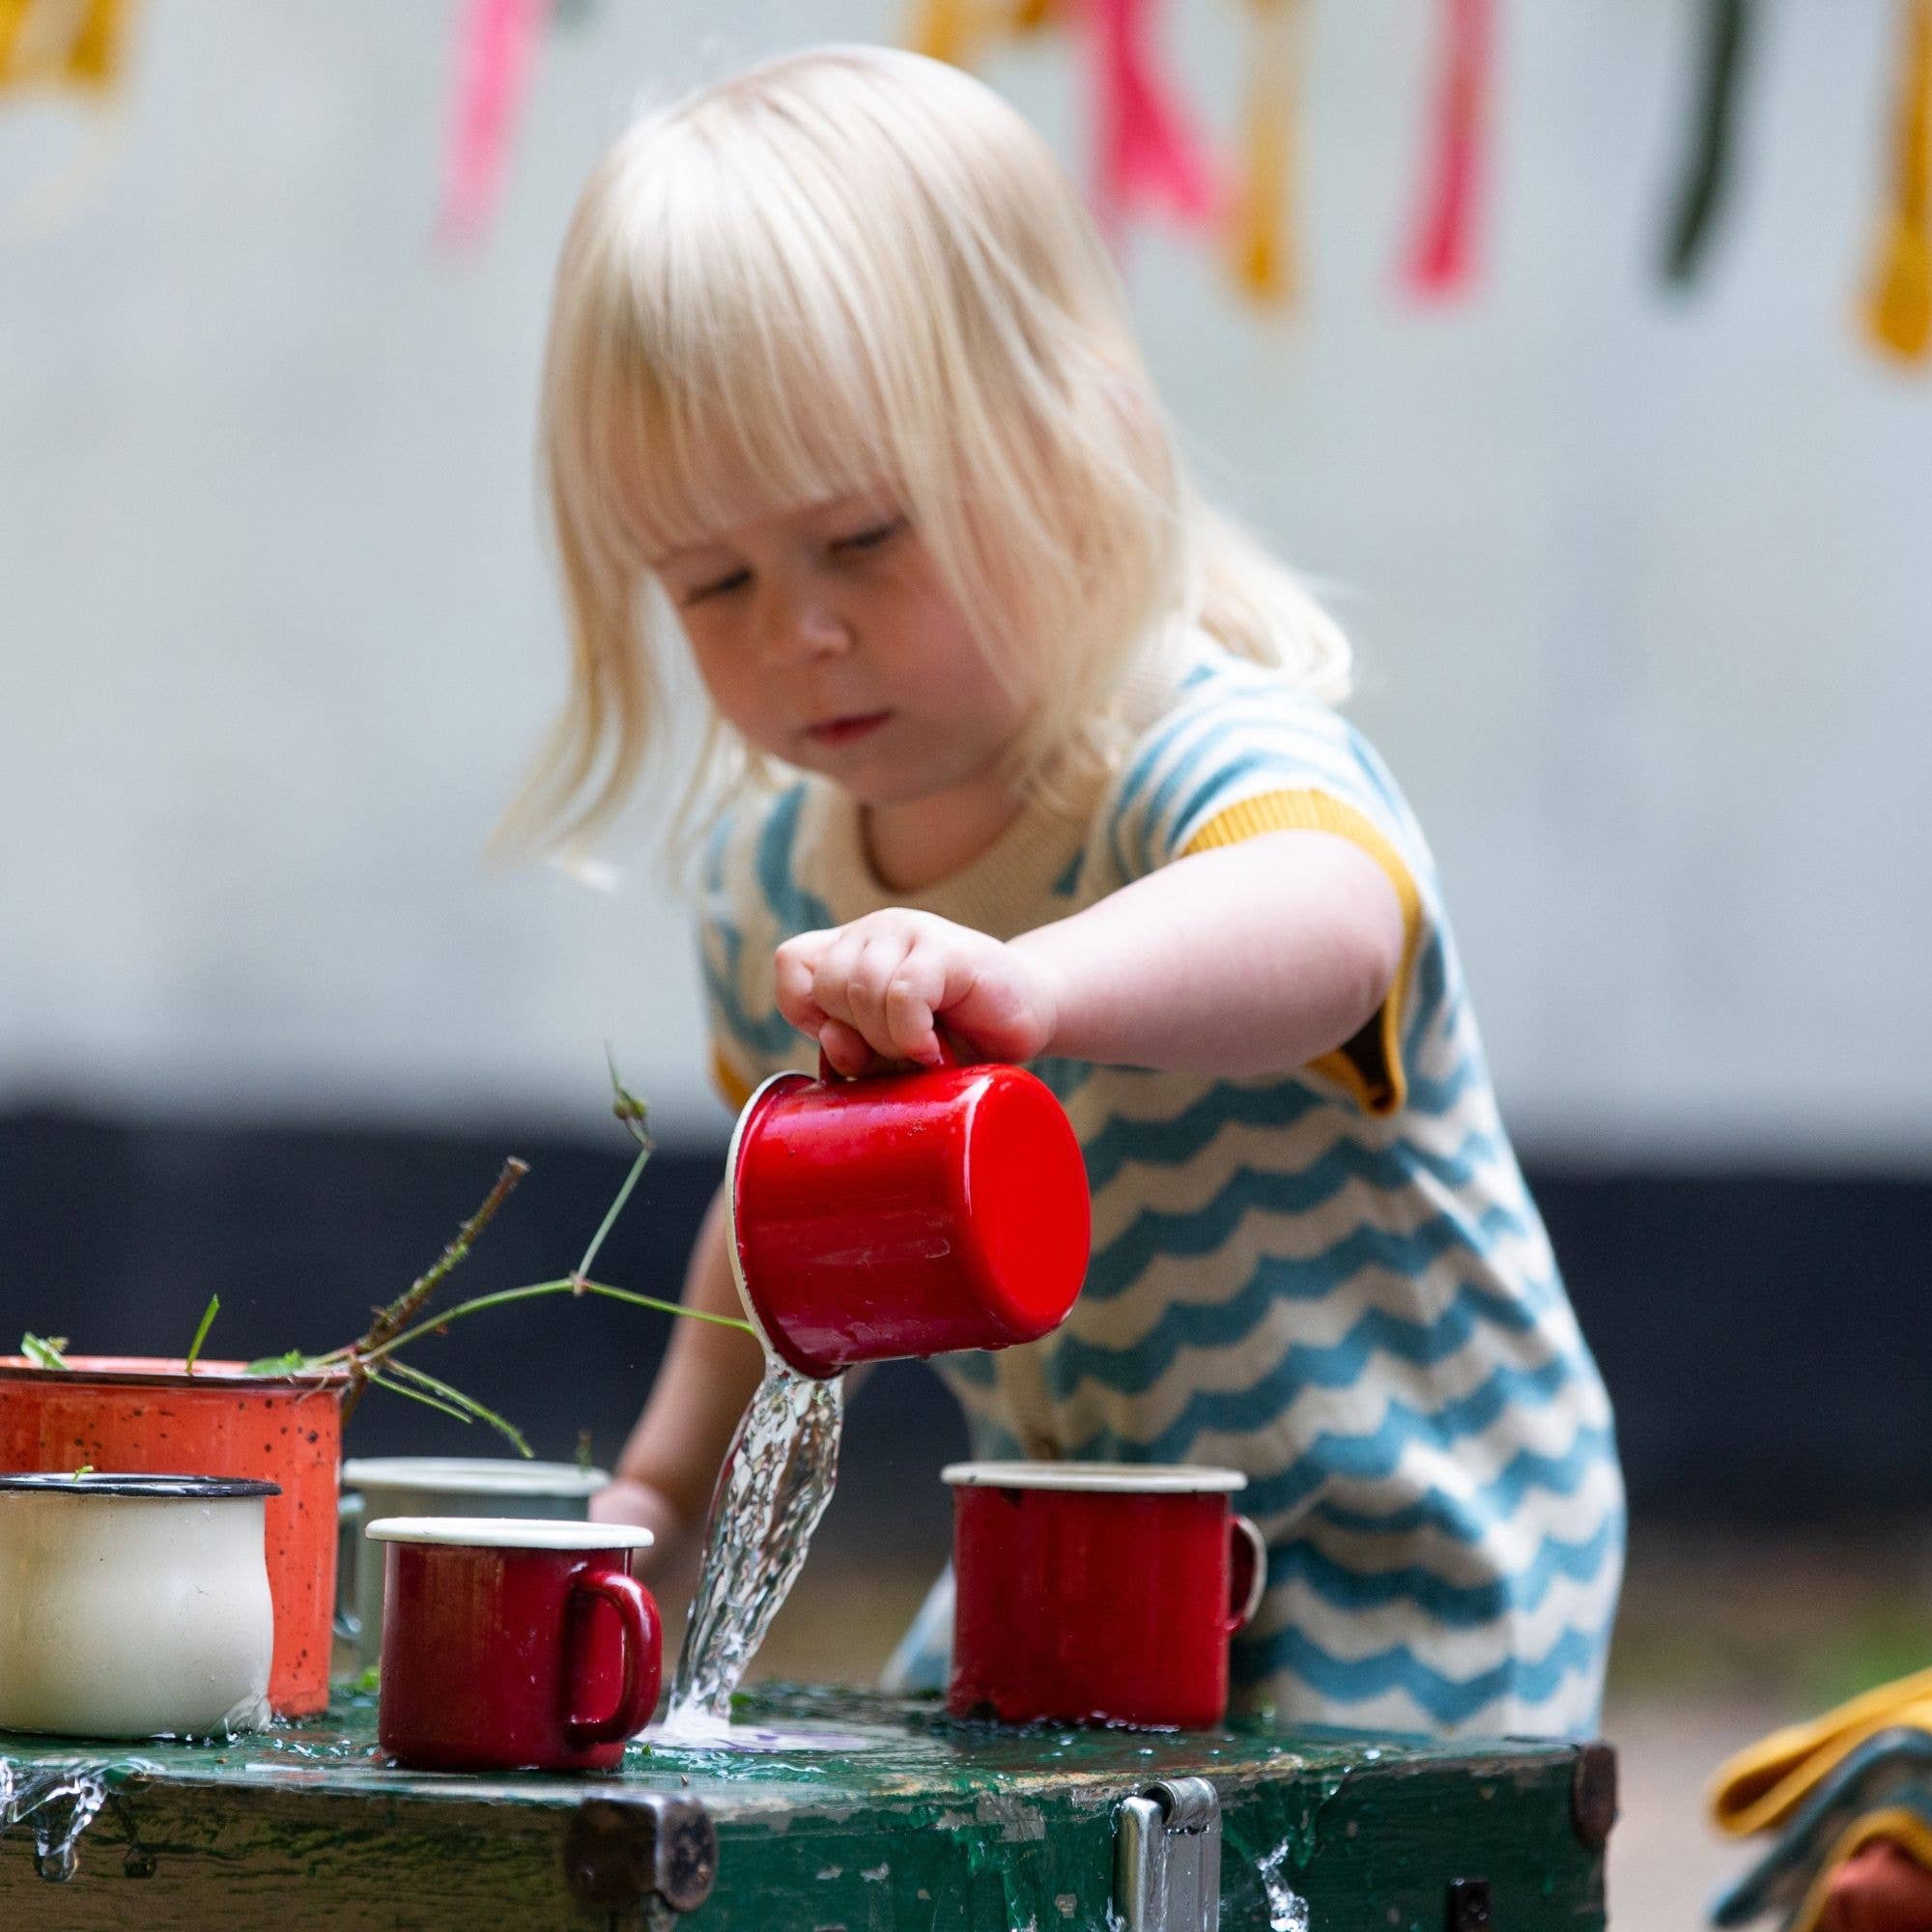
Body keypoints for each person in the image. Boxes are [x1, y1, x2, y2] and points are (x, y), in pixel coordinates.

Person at [505, 43, 1623, 1738]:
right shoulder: (768, 894)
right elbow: (771, 1212)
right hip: (1065, 1541)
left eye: (866, 538)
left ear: (1063, 429)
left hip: (1401, 1567)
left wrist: (1045, 983)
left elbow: (1334, 921)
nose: (799, 628)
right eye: (713, 580)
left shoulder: (1188, 751)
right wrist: (660, 1482)